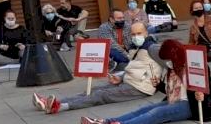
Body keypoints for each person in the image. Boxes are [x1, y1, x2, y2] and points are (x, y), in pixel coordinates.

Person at [34, 22, 162, 118]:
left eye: (139, 33)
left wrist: (162, 85)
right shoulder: (136, 47)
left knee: (100, 95)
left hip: (140, 87)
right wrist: (120, 77)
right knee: (93, 90)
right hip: (130, 81)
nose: (136, 37)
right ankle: (52, 103)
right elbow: (137, 67)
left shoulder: (152, 47)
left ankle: (60, 106)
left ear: (146, 33)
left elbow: (168, 62)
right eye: (133, 34)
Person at [87, 39, 211, 124]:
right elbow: (171, 91)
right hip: (175, 101)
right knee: (144, 109)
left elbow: (206, 90)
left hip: (191, 106)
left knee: (157, 113)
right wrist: (159, 85)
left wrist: (202, 96)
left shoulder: (194, 66)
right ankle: (107, 121)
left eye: (168, 59)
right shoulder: (173, 68)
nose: (167, 62)